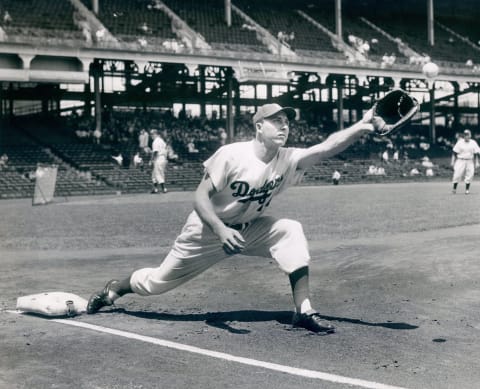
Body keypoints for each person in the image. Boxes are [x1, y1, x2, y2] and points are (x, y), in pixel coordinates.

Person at [86, 103, 376, 334]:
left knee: (290, 230)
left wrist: (362, 126)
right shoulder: (232, 155)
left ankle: (303, 310)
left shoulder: (287, 158)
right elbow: (200, 196)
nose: (284, 126)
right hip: (206, 230)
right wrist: (220, 229)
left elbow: (326, 147)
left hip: (249, 229)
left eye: (287, 122)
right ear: (259, 127)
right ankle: (115, 289)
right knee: (157, 282)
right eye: (277, 121)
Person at [451, 129, 480, 194]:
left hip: (469, 160)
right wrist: (452, 161)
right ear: (464, 136)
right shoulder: (460, 142)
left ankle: (467, 190)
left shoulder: (473, 142)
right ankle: (454, 189)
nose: (466, 136)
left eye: (468, 135)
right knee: (457, 174)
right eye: (465, 135)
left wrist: (477, 162)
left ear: (470, 135)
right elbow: (454, 152)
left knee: (470, 174)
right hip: (461, 160)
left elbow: (476, 153)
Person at [150, 129, 168, 194]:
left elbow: (155, 152)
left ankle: (164, 189)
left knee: (158, 173)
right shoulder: (162, 141)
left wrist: (151, 160)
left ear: (156, 134)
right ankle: (155, 189)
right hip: (163, 158)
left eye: (152, 134)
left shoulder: (155, 141)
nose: (151, 135)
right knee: (154, 174)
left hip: (158, 158)